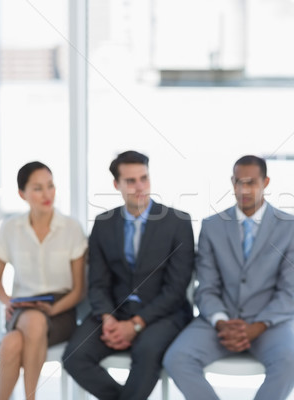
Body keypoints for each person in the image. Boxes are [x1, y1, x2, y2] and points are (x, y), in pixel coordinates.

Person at [163, 155, 294, 400]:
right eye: (239, 182)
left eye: (251, 183)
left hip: (270, 324)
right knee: (177, 358)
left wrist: (257, 327)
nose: (244, 189)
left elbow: (291, 291)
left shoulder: (292, 227)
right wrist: (221, 322)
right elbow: (206, 286)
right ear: (232, 182)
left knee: (290, 362)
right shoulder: (212, 226)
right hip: (221, 322)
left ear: (266, 182)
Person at [62, 150, 195, 400]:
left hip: (163, 315)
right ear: (117, 184)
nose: (139, 187)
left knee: (146, 351)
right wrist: (108, 319)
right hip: (114, 310)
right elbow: (98, 283)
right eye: (131, 181)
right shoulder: (104, 223)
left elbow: (176, 289)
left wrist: (136, 325)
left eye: (144, 178)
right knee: (74, 356)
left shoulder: (178, 222)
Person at [0, 161, 87, 400]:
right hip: (23, 308)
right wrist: (9, 301)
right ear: (22, 194)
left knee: (13, 342)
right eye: (38, 188)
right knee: (22, 331)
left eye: (50, 186)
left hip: (61, 309)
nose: (47, 194)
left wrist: (52, 308)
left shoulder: (72, 228)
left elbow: (78, 290)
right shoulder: (11, 228)